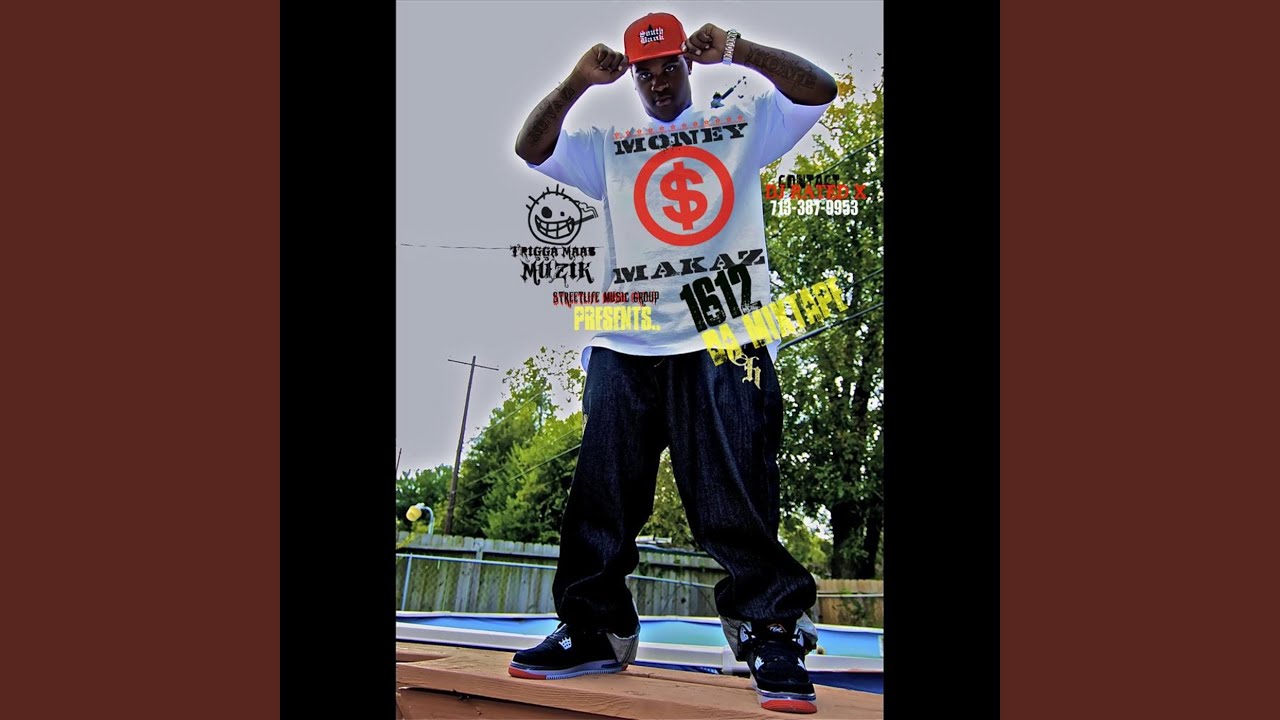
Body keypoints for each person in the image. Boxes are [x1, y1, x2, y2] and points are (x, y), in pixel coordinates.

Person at [508, 12, 838, 714]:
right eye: (645, 71)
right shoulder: (608, 145)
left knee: (735, 490)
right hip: (625, 337)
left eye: (668, 67)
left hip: (729, 334)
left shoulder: (741, 121)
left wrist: (739, 50)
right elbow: (530, 146)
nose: (658, 82)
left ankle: (769, 629)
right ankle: (594, 627)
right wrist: (575, 83)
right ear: (633, 77)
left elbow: (819, 91)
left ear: (687, 65)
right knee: (602, 492)